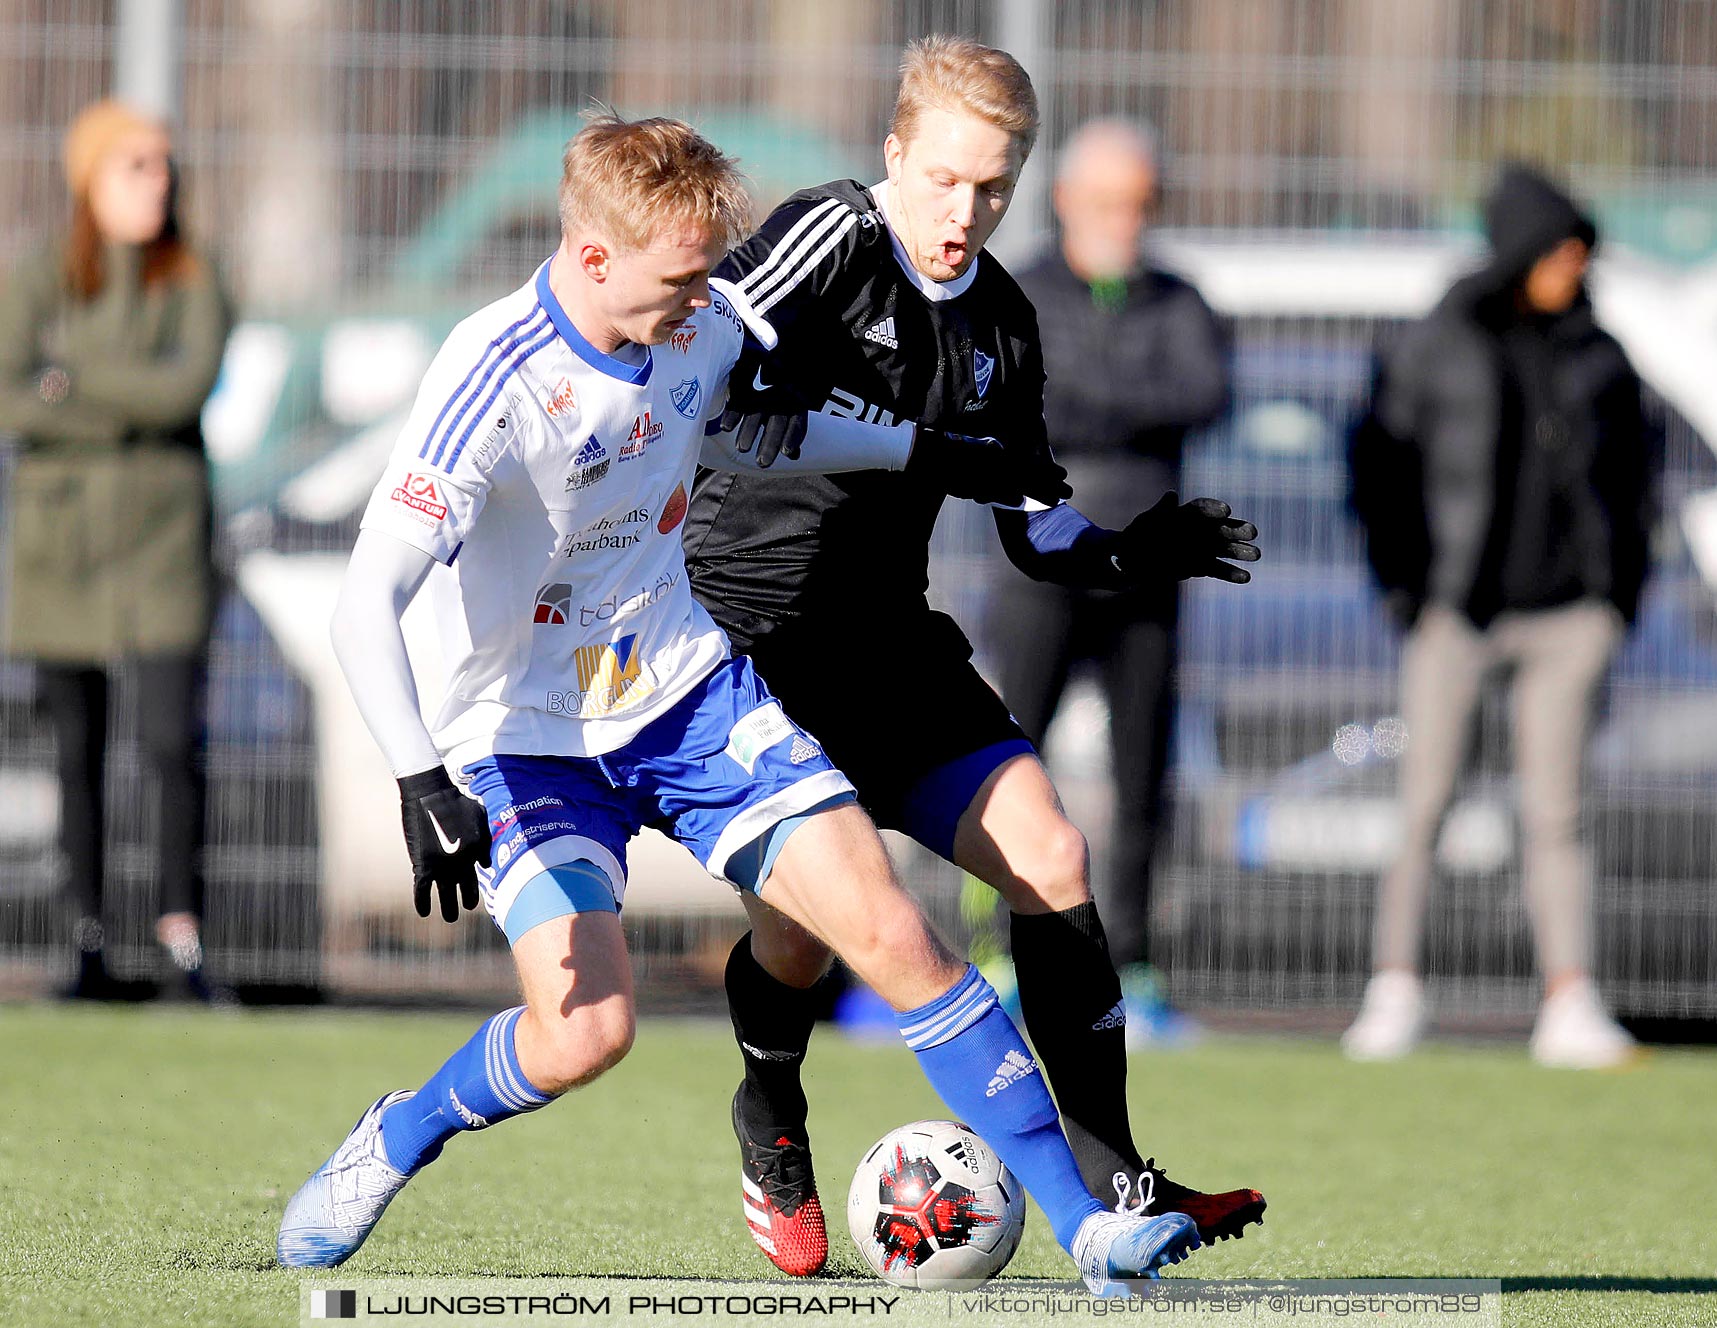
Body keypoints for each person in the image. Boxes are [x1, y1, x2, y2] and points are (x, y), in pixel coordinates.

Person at [275, 113, 1201, 1297]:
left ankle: (1086, 1228)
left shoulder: (700, 319)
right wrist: (418, 773)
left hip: (686, 692)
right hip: (526, 738)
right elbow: (369, 600)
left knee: (892, 928)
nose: (706, 299)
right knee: (584, 1034)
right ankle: (400, 1132)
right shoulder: (495, 370)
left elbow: (769, 424)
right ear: (595, 256)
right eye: (682, 277)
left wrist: (937, 455)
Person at [684, 37, 1264, 1277]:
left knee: (1053, 851)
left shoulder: (1002, 317)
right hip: (750, 643)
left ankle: (1118, 1175)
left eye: (993, 187)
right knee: (805, 938)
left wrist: (1126, 547)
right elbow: (703, 365)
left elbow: (1032, 521)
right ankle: (768, 1109)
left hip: (888, 642)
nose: (964, 212)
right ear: (894, 153)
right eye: (944, 178)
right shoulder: (828, 237)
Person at [1344, 162, 1655, 1069]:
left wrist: (1615, 602)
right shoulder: (1441, 339)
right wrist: (1406, 586)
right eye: (1560, 246)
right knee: (1425, 803)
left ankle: (1570, 1000)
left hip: (1569, 622)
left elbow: (1637, 482)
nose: (1574, 263)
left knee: (1558, 811)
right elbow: (1379, 466)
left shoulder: (1599, 349)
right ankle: (1394, 989)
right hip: (1459, 612)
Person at [993, 118, 1233, 1044]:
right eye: (1107, 203)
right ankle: (1000, 957)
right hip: (1041, 564)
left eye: (1140, 205)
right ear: (1066, 201)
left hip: (1145, 576)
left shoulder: (1180, 300)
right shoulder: (1024, 292)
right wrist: (1111, 409)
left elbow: (1203, 393)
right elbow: (1030, 397)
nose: (1125, 222)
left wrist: (1090, 406)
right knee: (1004, 766)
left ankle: (1131, 962)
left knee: (1145, 779)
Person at [0, 100, 231, 1001]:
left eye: (163, 164)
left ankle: (183, 941)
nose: (156, 181)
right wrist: (98, 401)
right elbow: (9, 394)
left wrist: (72, 382)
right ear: (88, 178)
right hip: (62, 551)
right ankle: (85, 942)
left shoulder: (195, 277)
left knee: (173, 746)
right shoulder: (38, 277)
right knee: (77, 751)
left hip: (166, 548)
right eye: (134, 165)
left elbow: (182, 391)